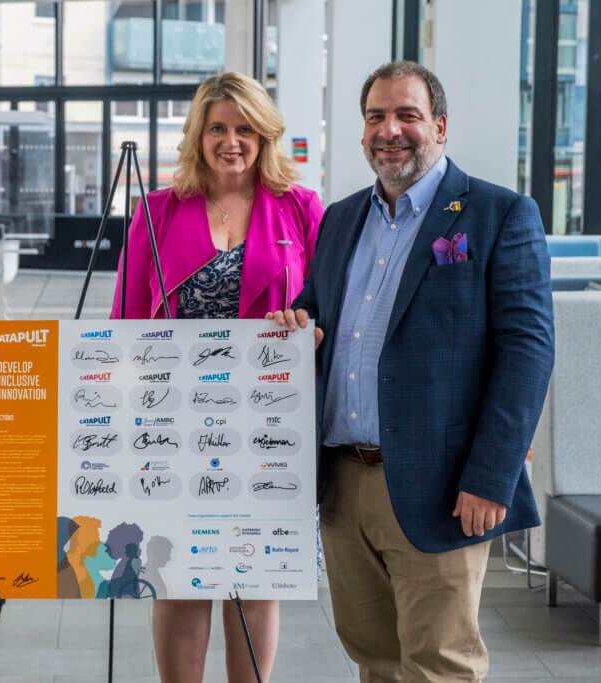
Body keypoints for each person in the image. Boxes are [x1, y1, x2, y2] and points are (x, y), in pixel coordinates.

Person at [271, 61, 554, 682]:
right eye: (376, 117)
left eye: (407, 115)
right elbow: (319, 313)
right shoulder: (341, 219)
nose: (389, 130)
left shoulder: (498, 214)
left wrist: (491, 475)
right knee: (374, 660)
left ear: (440, 126)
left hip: (444, 486)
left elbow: (527, 353)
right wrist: (298, 326)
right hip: (344, 482)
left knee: (439, 666)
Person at [112, 71, 323, 683]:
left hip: (269, 426)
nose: (232, 141)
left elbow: (328, 310)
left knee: (255, 582)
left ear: (264, 135)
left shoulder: (302, 208)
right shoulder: (156, 211)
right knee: (179, 580)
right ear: (198, 135)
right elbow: (124, 323)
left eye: (245, 129)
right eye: (219, 128)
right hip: (171, 422)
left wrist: (309, 329)